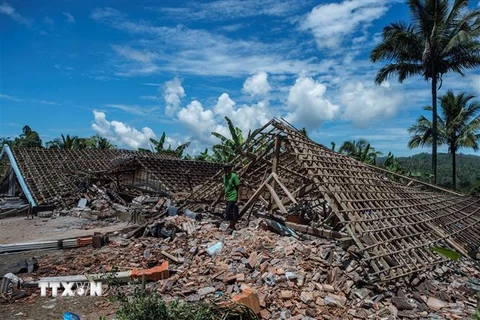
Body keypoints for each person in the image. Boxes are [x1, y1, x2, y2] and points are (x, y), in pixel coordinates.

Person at [223, 164, 240, 231]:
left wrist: (239, 198)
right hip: (228, 196)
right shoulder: (224, 177)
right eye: (225, 168)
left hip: (233, 196)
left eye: (227, 168)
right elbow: (225, 187)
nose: (226, 170)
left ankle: (232, 226)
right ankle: (231, 225)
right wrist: (225, 196)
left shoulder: (234, 176)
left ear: (230, 169)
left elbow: (238, 187)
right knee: (229, 212)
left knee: (230, 211)